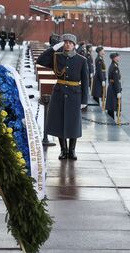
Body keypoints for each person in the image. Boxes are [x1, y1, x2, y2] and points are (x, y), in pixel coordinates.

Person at [36, 33, 89, 161]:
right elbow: (40, 60)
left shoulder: (81, 60)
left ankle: (72, 151)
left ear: (74, 45)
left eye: (70, 43)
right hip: (59, 93)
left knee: (73, 124)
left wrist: (84, 100)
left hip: (74, 94)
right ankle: (63, 150)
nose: (67, 44)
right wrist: (53, 48)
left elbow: (85, 81)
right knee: (60, 123)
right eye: (65, 42)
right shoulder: (56, 57)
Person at [105, 52, 122, 120]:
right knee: (112, 106)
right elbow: (116, 81)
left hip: (111, 87)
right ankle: (111, 121)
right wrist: (118, 91)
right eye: (117, 56)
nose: (119, 58)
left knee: (111, 106)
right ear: (114, 58)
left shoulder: (113, 65)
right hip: (114, 89)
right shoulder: (115, 67)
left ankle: (111, 120)